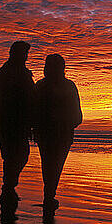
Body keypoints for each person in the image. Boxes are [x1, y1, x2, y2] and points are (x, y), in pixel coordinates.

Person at [32, 53, 82, 215]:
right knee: (54, 166)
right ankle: (49, 196)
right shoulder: (67, 86)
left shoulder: (41, 85)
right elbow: (77, 116)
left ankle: (49, 195)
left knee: (49, 165)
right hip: (59, 134)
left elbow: (33, 111)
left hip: (49, 134)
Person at [0, 41, 35, 220]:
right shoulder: (7, 73)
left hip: (19, 123)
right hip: (10, 122)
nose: (26, 57)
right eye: (24, 53)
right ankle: (8, 187)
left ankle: (9, 186)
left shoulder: (20, 72)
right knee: (14, 155)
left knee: (18, 155)